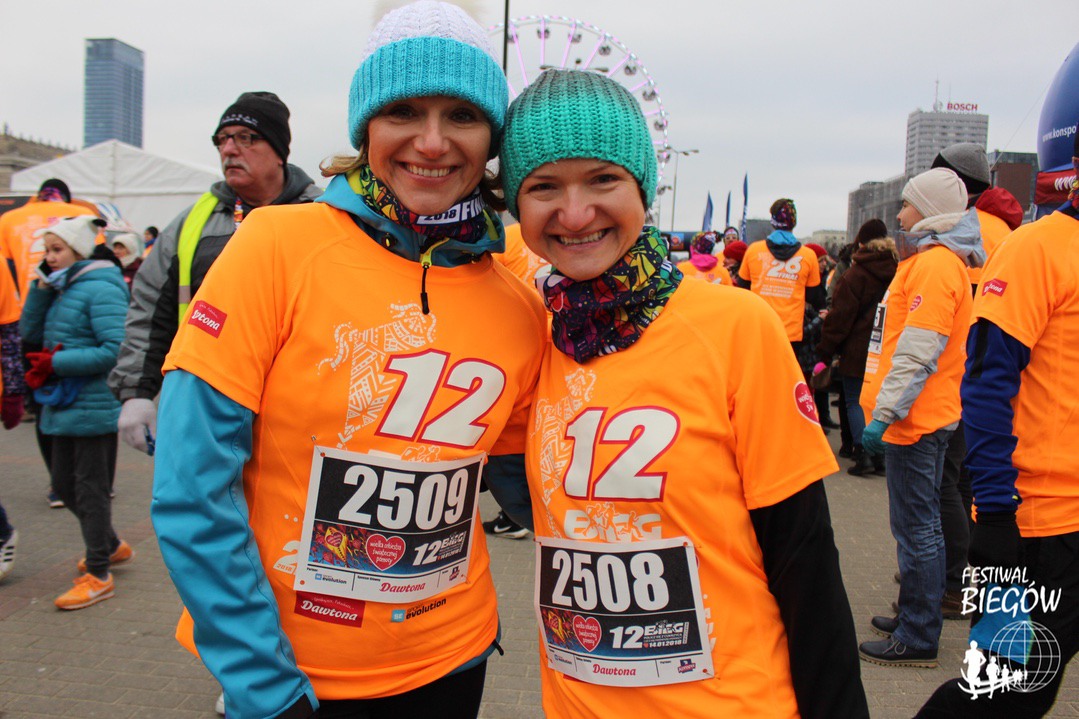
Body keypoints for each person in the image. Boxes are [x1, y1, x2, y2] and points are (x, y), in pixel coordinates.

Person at [150, 3, 546, 717]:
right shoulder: (275, 245)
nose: (432, 142)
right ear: (366, 126)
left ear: (491, 137)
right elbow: (190, 488)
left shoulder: (517, 300)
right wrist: (263, 685)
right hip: (297, 675)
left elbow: (532, 484)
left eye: (461, 115)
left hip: (455, 656)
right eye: (403, 111)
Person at [500, 68, 868, 719]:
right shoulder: (529, 336)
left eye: (603, 179)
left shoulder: (734, 327)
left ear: (643, 188)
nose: (575, 212)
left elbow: (805, 557)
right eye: (543, 186)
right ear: (516, 204)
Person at [915, 122, 1079, 719]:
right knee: (1002, 692)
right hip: (1037, 525)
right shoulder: (1039, 247)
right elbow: (986, 382)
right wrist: (997, 512)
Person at [107, 90, 321, 455]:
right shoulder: (192, 223)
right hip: (205, 406)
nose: (229, 150)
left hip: (303, 413)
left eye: (246, 138)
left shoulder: (323, 216)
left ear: (279, 151)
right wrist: (136, 392)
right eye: (222, 139)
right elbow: (148, 310)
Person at [858, 167, 985, 667]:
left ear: (930, 211)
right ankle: (915, 615)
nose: (900, 213)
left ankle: (917, 632)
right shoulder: (934, 262)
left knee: (917, 529)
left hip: (915, 419)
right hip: (919, 415)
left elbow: (917, 350)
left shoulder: (934, 267)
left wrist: (884, 415)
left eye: (908, 204)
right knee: (918, 525)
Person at [18, 216, 132, 610]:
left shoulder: (101, 288)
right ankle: (110, 545)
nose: (49, 257)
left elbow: (115, 349)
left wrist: (57, 363)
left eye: (57, 250)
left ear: (78, 251)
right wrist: (39, 290)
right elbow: (29, 332)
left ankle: (99, 574)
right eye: (46, 250)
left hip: (92, 403)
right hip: (64, 402)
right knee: (63, 485)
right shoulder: (61, 286)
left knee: (89, 490)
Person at [815, 219, 897, 476]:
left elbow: (840, 317)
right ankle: (880, 455)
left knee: (854, 401)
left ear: (861, 243)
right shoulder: (899, 270)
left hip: (857, 348)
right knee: (877, 401)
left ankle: (864, 453)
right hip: (888, 346)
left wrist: (825, 351)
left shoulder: (855, 275)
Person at [737, 198, 826, 354]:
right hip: (791, 334)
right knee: (786, 370)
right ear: (794, 222)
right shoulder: (808, 256)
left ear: (773, 222)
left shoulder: (754, 251)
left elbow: (742, 288)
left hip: (760, 328)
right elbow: (814, 296)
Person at [0, 178, 97, 303]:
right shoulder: (84, 215)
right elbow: (95, 256)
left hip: (27, 302)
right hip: (75, 300)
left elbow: (6, 266)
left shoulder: (9, 218)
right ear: (67, 198)